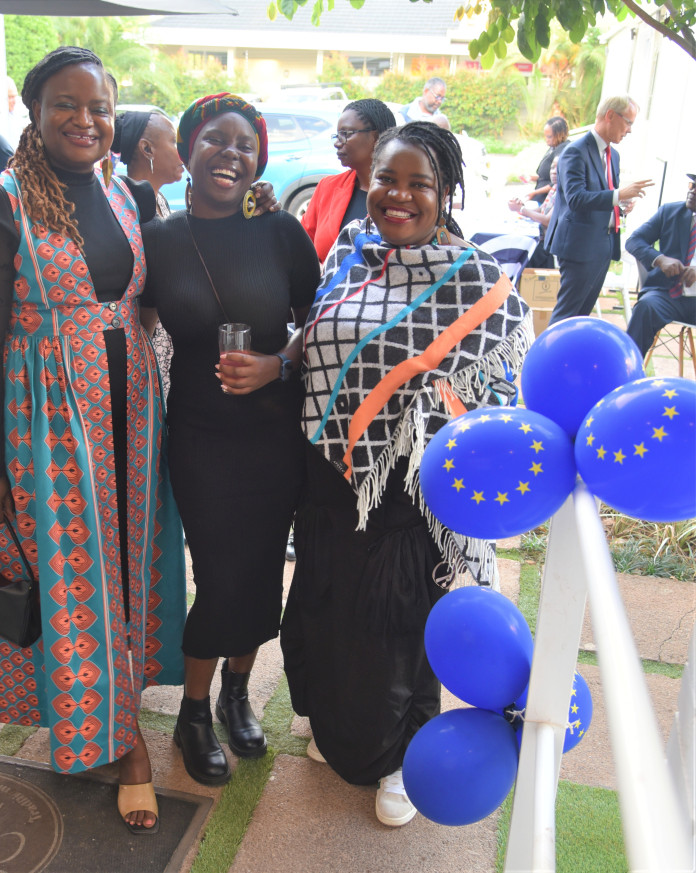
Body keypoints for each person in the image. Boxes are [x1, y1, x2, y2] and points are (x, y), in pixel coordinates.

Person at [0, 46, 189, 835]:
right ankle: (124, 747)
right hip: (46, 421)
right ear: (32, 109)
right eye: (66, 104)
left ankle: (110, 703)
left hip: (129, 413)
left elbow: (138, 300)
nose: (85, 119)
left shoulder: (126, 193)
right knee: (71, 575)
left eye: (98, 106)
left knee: (125, 571)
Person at [281, 122, 531, 827]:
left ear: (444, 192)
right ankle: (340, 729)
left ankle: (402, 754)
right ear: (369, 181)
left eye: (419, 183)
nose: (400, 195)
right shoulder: (352, 255)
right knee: (329, 610)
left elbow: (499, 393)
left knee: (396, 626)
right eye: (388, 177)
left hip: (410, 492)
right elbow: (314, 344)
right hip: (332, 477)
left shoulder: (477, 280)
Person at [141, 93, 320, 787]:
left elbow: (323, 321)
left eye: (246, 144)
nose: (232, 154)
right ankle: (192, 710)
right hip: (197, 432)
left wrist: (279, 363)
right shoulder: (157, 239)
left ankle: (236, 692)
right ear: (188, 149)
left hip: (273, 430)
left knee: (261, 564)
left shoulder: (279, 231)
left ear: (260, 160)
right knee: (218, 572)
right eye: (217, 139)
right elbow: (137, 327)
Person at [544, 95, 653, 325]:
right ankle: (549, 360)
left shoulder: (614, 156)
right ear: (610, 116)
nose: (630, 130)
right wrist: (618, 195)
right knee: (566, 315)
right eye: (629, 122)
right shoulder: (575, 151)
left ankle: (570, 360)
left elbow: (603, 198)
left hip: (603, 245)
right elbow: (576, 199)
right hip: (579, 247)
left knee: (581, 316)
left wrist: (621, 206)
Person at [113, 109, 185, 399]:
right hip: (140, 348)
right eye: (174, 142)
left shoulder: (161, 201)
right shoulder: (125, 207)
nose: (183, 152)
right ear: (147, 149)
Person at [301, 98, 397, 262]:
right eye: (337, 135)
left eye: (346, 134)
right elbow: (300, 247)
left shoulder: (403, 196)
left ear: (377, 137)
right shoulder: (327, 187)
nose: (337, 143)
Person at [625, 173, 696, 357]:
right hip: (667, 294)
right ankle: (628, 369)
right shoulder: (670, 212)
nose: (692, 192)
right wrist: (660, 259)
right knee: (645, 307)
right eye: (692, 185)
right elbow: (634, 241)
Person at [508, 155, 559, 269]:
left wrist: (521, 209)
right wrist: (520, 207)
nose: (554, 172)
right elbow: (542, 210)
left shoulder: (564, 191)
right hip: (542, 239)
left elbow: (547, 220)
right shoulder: (555, 188)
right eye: (552, 168)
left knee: (519, 255)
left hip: (547, 246)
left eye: (559, 168)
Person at [521, 116, 568, 206]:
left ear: (559, 134)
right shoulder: (553, 148)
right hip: (541, 198)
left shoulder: (562, 150)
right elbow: (545, 176)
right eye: (545, 136)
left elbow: (556, 182)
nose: (546, 139)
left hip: (548, 201)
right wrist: (531, 178)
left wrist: (534, 193)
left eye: (549, 136)